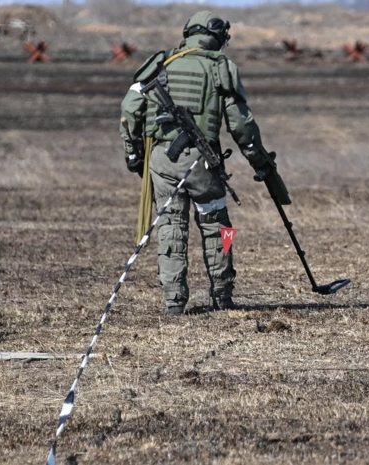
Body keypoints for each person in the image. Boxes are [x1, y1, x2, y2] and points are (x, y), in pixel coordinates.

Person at [119, 11, 277, 315]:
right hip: (203, 164)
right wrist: (259, 162)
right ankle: (223, 295)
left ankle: (174, 302)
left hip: (162, 162)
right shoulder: (221, 68)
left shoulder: (159, 63)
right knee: (220, 228)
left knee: (170, 227)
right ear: (217, 37)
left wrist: (134, 155)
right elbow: (242, 126)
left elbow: (129, 112)